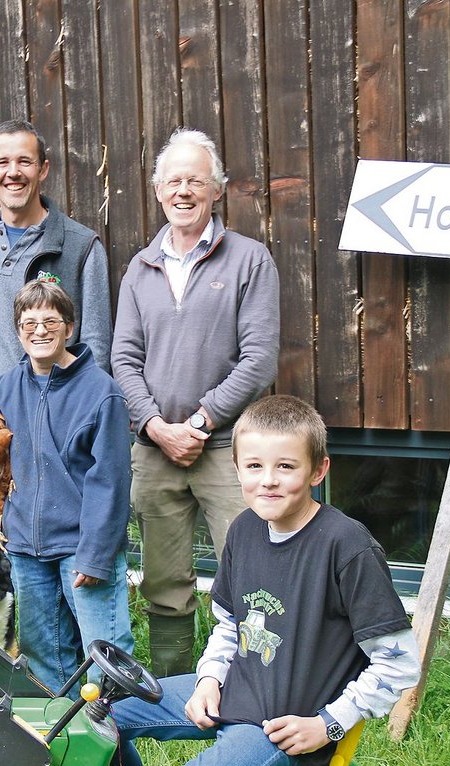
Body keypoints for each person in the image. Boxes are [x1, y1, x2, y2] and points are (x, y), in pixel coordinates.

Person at [88, 395, 420, 766]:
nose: (268, 481)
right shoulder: (244, 530)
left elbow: (399, 664)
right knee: (101, 711)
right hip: (237, 689)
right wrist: (207, 679)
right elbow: (228, 624)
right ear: (236, 468)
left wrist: (328, 724)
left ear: (318, 470)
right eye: (254, 466)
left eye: (286, 466)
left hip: (282, 725)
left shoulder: (346, 547)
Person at [111, 128, 281, 677]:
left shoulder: (250, 261)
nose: (184, 191)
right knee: (164, 579)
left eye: (196, 181)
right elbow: (123, 360)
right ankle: (174, 689)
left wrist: (201, 421)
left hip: (228, 449)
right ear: (158, 190)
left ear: (217, 191)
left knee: (253, 572)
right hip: (154, 450)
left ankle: (257, 682)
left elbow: (259, 359)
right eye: (174, 181)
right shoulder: (140, 269)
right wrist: (158, 427)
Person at [0, 280, 132, 692]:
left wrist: (95, 557)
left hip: (82, 548)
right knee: (44, 653)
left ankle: (117, 744)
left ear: (70, 328)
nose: (39, 330)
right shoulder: (5, 389)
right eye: (28, 322)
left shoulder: (101, 393)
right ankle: (63, 741)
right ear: (18, 330)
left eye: (49, 321)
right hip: (25, 548)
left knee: (104, 653)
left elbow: (110, 483)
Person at [0, 120, 113, 543]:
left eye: (24, 161)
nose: (13, 172)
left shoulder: (80, 246)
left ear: (43, 169)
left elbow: (95, 344)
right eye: (2, 162)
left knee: (51, 555)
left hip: (46, 424)